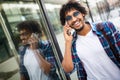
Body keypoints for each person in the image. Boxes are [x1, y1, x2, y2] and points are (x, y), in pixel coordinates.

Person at [59, 1, 120, 80]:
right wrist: (67, 42)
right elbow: (67, 70)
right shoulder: (72, 44)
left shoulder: (106, 27)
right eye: (68, 18)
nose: (74, 19)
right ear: (67, 23)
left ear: (82, 13)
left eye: (76, 14)